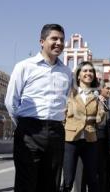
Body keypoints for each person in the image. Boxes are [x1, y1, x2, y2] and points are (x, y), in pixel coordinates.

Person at [5, 24, 72, 192]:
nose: (59, 43)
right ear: (42, 41)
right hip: (29, 130)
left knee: (51, 184)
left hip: (56, 133)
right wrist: (24, 125)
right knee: (26, 184)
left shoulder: (66, 71)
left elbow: (64, 101)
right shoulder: (24, 66)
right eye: (54, 38)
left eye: (62, 40)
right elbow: (11, 101)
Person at [61, 61, 101, 192]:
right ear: (78, 75)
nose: (88, 73)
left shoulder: (96, 96)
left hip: (90, 139)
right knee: (68, 179)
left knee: (93, 179)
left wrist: (100, 112)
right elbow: (62, 115)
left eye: (91, 71)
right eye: (85, 71)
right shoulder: (70, 93)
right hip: (71, 139)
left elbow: (101, 119)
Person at [81, 79, 110, 192]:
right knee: (99, 170)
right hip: (99, 138)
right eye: (107, 88)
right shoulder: (95, 100)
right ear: (100, 89)